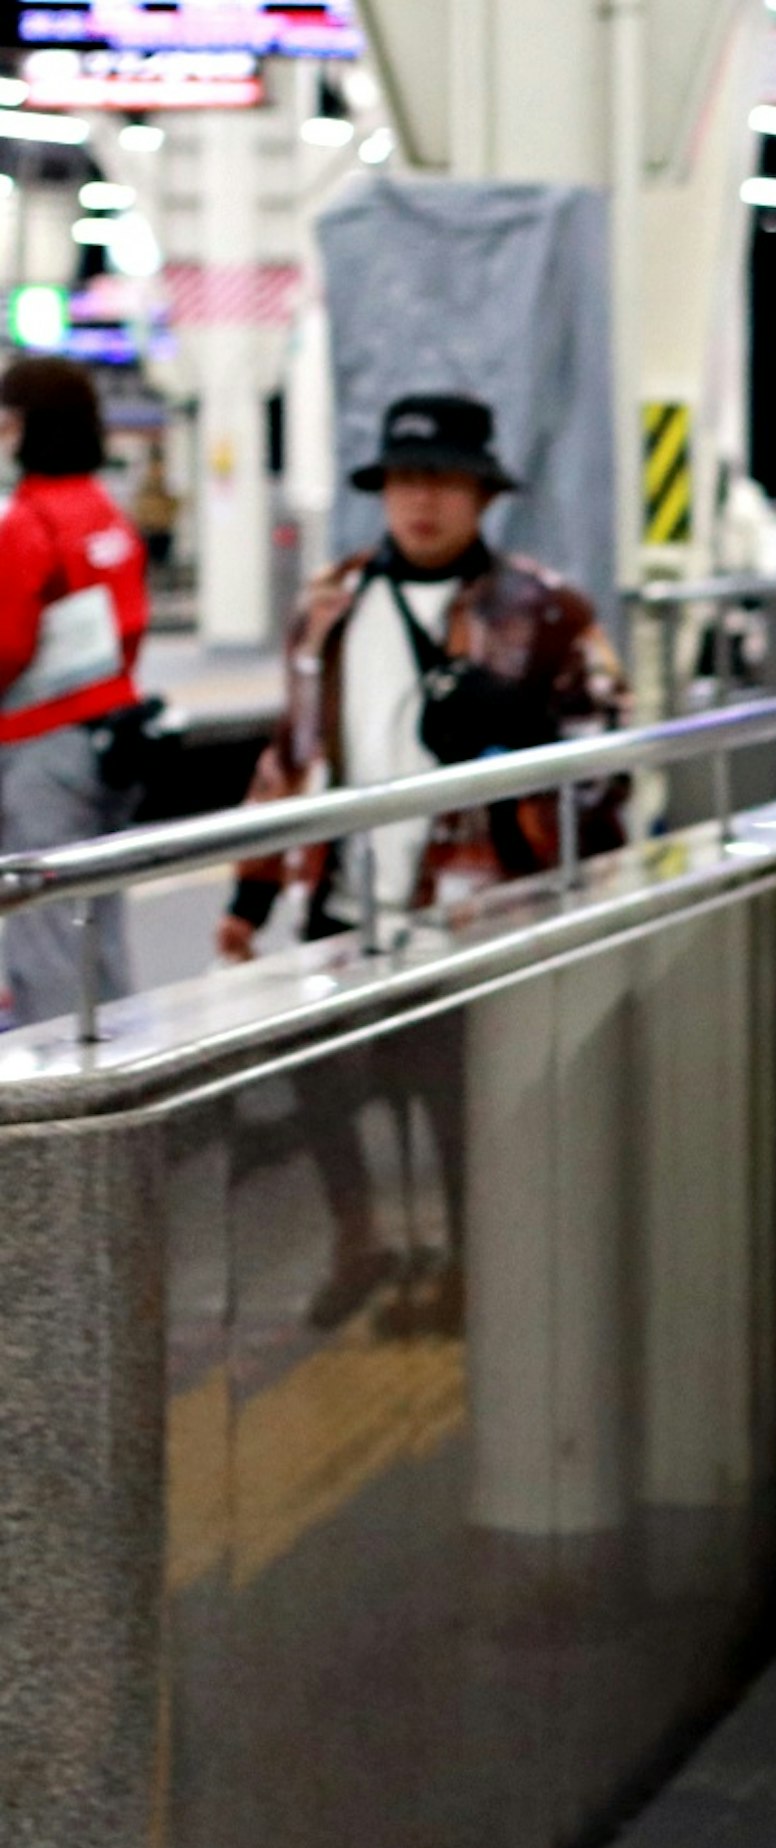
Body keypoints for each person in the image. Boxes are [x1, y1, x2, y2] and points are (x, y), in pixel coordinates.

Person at [219, 393, 626, 1333]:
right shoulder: (331, 603)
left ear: (483, 494)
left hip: (477, 900)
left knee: (456, 1093)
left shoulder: (546, 608)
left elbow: (608, 747)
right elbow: (291, 752)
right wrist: (250, 894)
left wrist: (517, 727)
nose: (422, 502)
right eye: (406, 479)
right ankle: (358, 1239)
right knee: (325, 1082)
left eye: (444, 480)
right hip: (344, 892)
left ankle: (469, 1265)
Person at [0, 356, 151, 1028]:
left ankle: (64, 1096)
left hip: (41, 747)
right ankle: (117, 1063)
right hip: (110, 739)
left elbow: (7, 645)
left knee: (44, 929)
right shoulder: (104, 513)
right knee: (97, 921)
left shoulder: (28, 522)